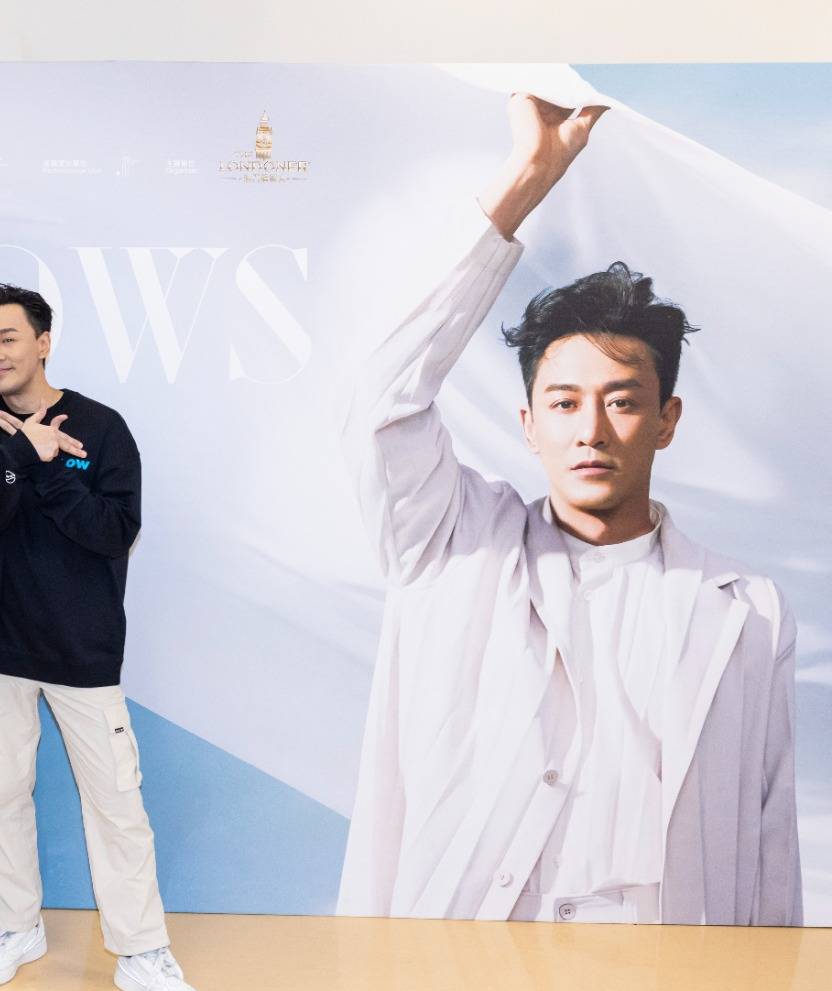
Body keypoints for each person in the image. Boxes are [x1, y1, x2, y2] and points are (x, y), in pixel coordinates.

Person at [336, 93, 801, 925]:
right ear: (528, 423)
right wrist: (524, 181)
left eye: (621, 401)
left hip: (662, 982)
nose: (591, 430)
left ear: (667, 420)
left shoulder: (748, 611)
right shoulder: (450, 543)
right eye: (563, 403)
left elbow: (768, 849)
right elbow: (380, 400)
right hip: (464, 970)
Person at [0, 282, 206, 991]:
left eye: (8, 338)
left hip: (83, 648)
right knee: (1, 792)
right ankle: (16, 927)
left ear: (43, 341)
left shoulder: (102, 427)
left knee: (117, 803)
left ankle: (142, 951)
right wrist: (20, 452)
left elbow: (112, 532)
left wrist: (50, 466)